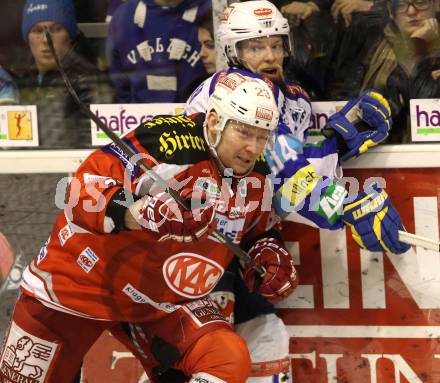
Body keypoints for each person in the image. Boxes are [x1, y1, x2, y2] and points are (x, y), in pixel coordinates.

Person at [0, 73, 299, 383]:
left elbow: (253, 231)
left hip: (160, 303)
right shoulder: (169, 143)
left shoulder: (258, 174)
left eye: (262, 136)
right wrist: (139, 212)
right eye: (244, 132)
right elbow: (80, 189)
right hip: (80, 284)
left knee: (225, 360)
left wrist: (267, 252)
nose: (253, 147)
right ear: (213, 122)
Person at [184, 1, 407, 381]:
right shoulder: (227, 94)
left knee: (265, 342)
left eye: (275, 44)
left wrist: (337, 138)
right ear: (231, 53)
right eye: (255, 47)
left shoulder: (295, 99)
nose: (270, 55)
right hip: (195, 245)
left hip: (241, 242)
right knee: (214, 356)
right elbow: (287, 180)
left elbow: (294, 165)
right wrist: (346, 204)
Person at [331, 0, 440, 142]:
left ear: (436, 4)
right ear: (390, 10)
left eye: (420, 2)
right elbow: (344, 96)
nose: (411, 11)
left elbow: (424, 108)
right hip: (376, 151)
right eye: (401, 4)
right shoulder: (373, 44)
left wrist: (418, 45)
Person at [16, 0, 111, 149]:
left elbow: (95, 151)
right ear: (27, 38)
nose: (46, 40)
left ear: (70, 35)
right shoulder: (25, 80)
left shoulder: (89, 81)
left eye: (56, 29)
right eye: (37, 30)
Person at [106, 0, 211, 103]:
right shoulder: (126, 16)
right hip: (136, 117)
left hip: (197, 113)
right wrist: (129, 113)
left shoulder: (211, 10)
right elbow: (117, 83)